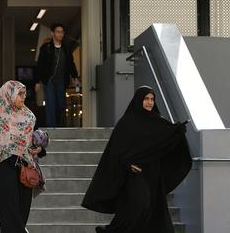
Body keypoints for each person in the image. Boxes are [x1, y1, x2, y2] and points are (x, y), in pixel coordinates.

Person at [82, 86, 192, 233]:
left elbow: (164, 142)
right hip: (134, 173)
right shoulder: (127, 122)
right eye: (146, 99)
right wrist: (127, 164)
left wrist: (177, 132)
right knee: (139, 204)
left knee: (153, 211)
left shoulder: (157, 121)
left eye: (152, 99)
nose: (150, 102)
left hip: (153, 172)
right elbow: (115, 151)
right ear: (139, 100)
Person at [0, 81, 46, 232]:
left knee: (21, 216)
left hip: (24, 171)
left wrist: (39, 149)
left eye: (24, 93)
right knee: (9, 217)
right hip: (2, 170)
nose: (23, 97)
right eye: (20, 93)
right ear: (8, 95)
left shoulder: (28, 117)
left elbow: (37, 140)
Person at [35, 23, 80, 127]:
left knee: (60, 105)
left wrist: (75, 77)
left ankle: (60, 126)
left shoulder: (66, 48)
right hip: (49, 80)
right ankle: (52, 129)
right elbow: (40, 65)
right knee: (50, 104)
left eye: (62, 32)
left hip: (61, 80)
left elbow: (71, 64)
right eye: (58, 32)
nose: (60, 34)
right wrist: (37, 81)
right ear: (52, 33)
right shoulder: (46, 48)